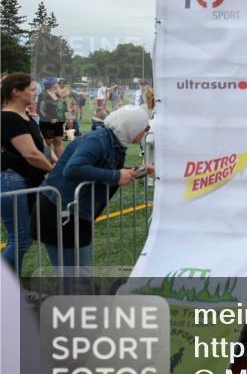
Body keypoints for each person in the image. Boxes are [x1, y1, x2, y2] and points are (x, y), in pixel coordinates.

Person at [34, 105, 151, 272]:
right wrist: (116, 176)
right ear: (131, 126)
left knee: (79, 273)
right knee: (74, 275)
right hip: (60, 212)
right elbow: (73, 169)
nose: (146, 131)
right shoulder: (98, 140)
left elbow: (106, 168)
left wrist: (140, 171)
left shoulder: (114, 141)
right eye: (144, 127)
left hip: (74, 211)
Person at [1, 74, 55, 273]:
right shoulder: (8, 117)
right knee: (21, 238)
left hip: (25, 180)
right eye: (32, 90)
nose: (36, 94)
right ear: (16, 91)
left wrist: (54, 158)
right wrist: (54, 171)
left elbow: (40, 147)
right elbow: (31, 154)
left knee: (21, 238)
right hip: (12, 181)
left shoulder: (25, 115)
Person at [36, 77, 66, 159]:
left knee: (58, 142)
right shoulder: (43, 95)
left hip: (59, 123)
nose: (58, 83)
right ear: (52, 84)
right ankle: (43, 163)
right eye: (56, 82)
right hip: (47, 123)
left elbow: (60, 107)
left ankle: (61, 163)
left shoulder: (57, 94)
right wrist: (49, 119)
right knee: (47, 144)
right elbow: (40, 109)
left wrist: (64, 115)